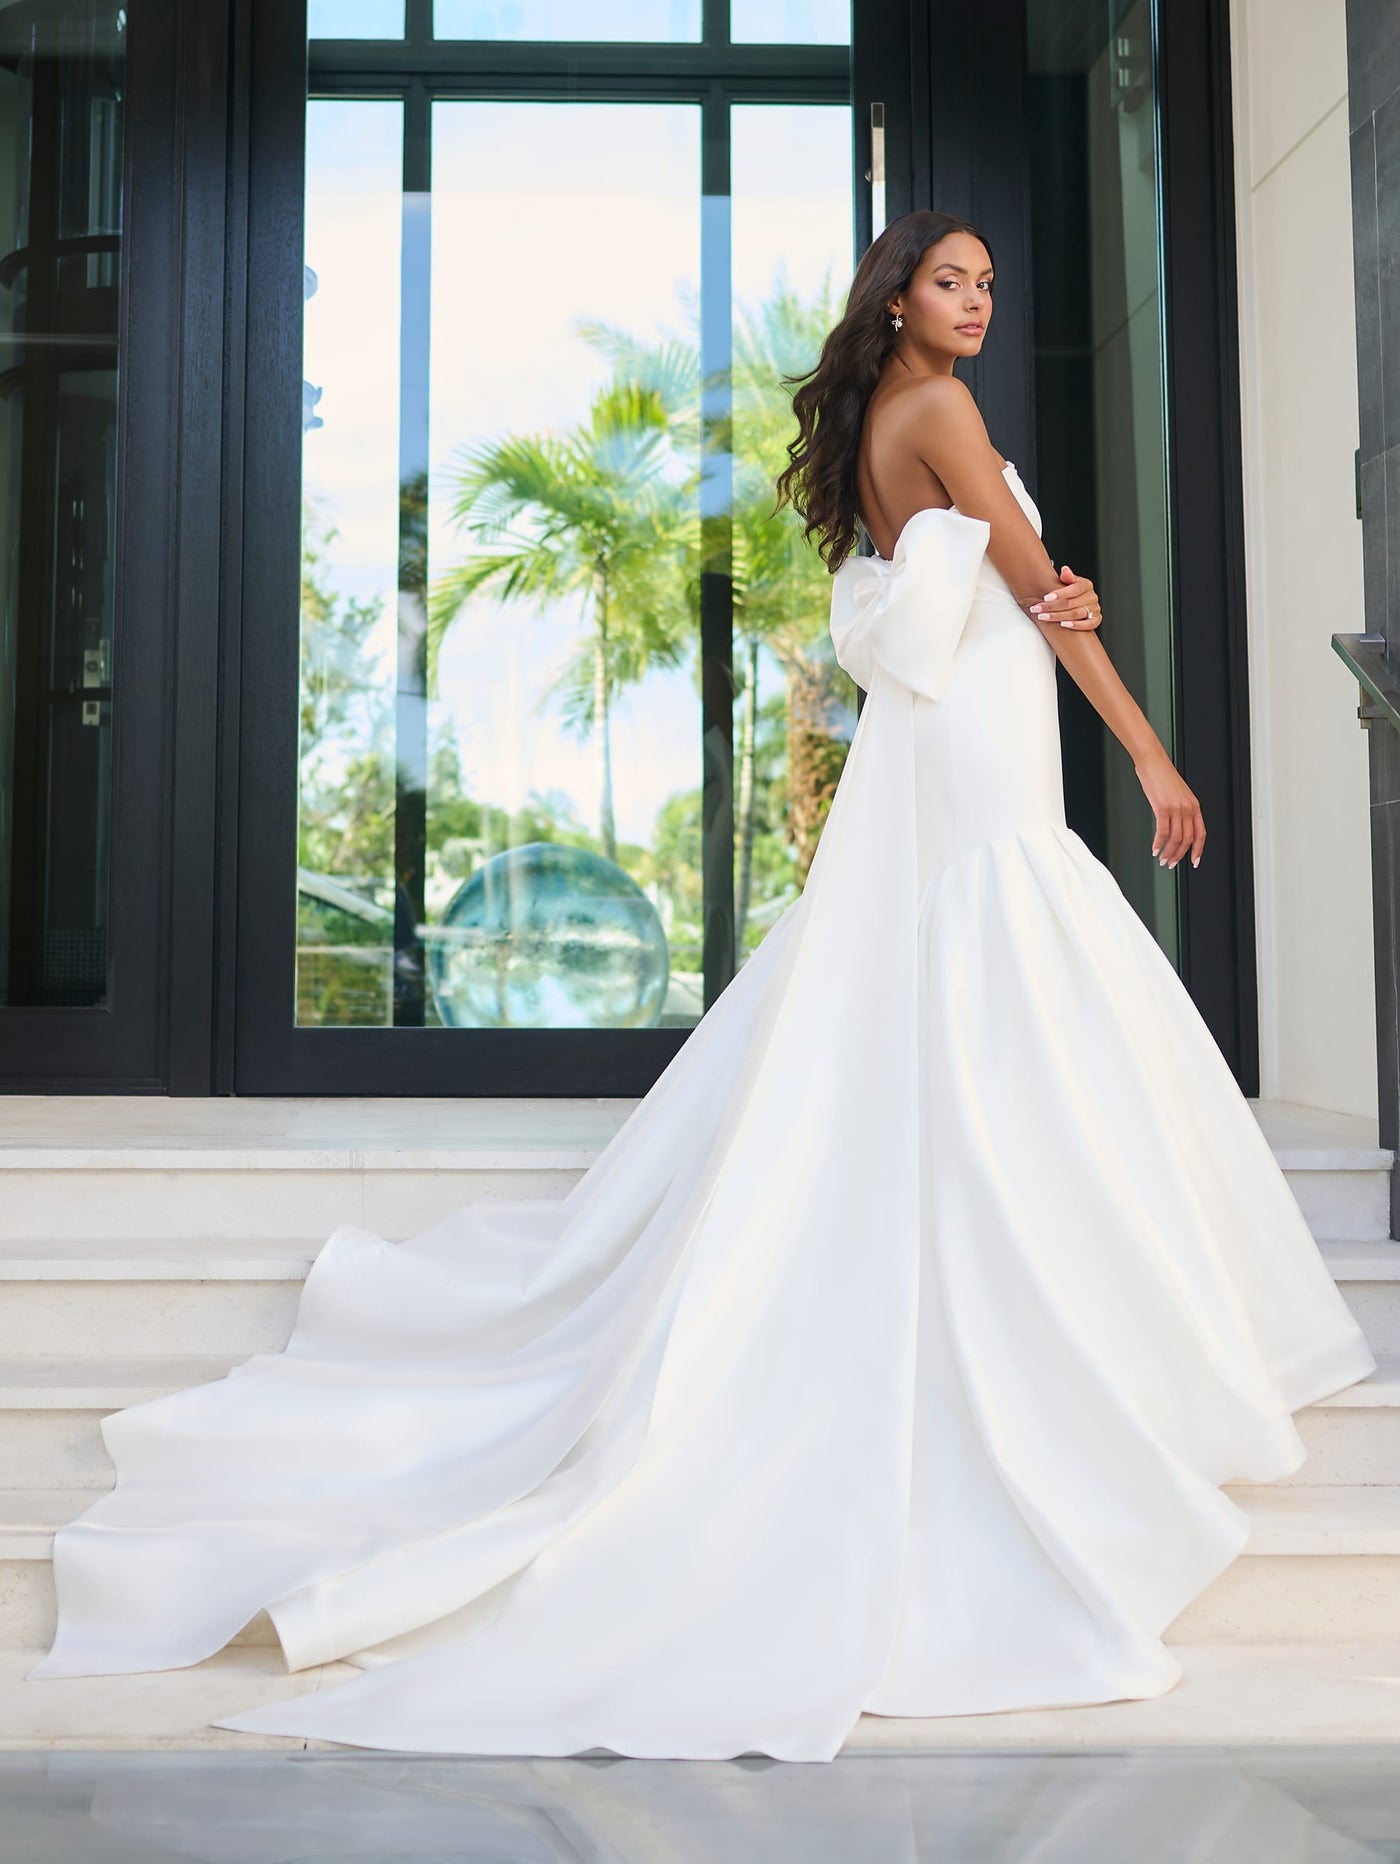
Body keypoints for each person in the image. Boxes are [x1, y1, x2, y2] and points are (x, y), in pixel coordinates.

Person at [28, 209, 1376, 1762]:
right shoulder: (938, 410)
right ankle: (1070, 1302)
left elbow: (1026, 591)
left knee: (989, 995)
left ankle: (1033, 1257)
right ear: (897, 296)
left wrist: (1055, 603)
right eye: (953, 279)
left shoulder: (883, 421)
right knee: (1019, 979)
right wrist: (1149, 753)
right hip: (983, 750)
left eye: (993, 283)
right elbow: (1040, 595)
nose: (980, 302)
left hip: (950, 744)